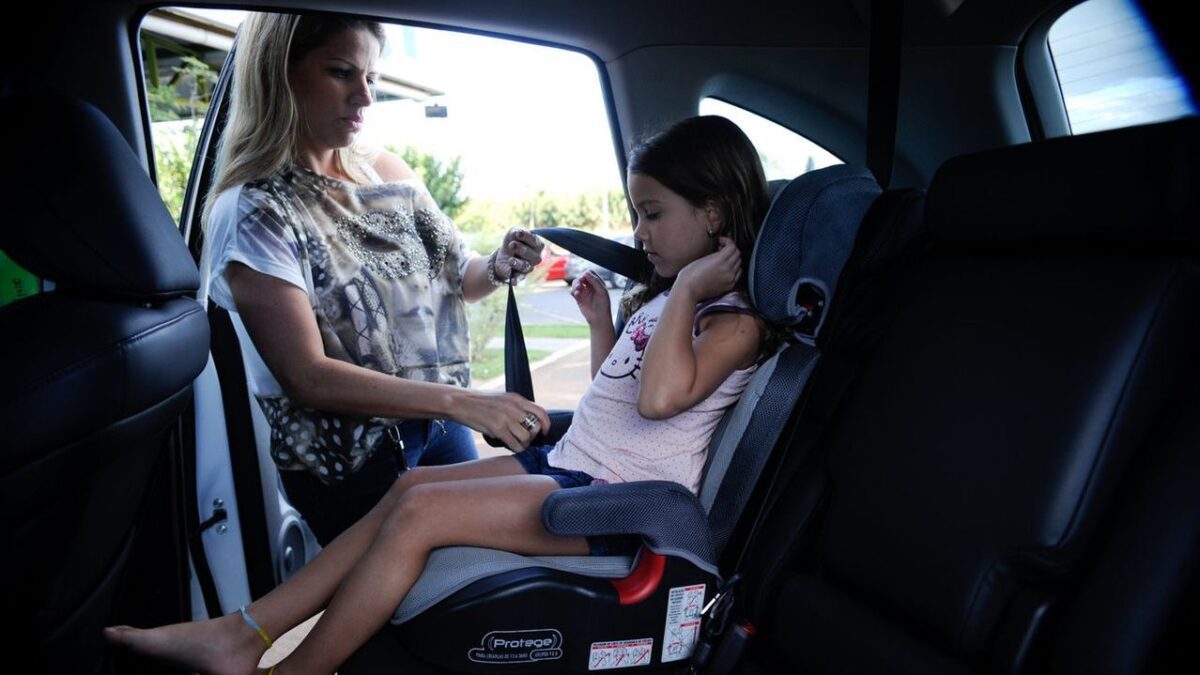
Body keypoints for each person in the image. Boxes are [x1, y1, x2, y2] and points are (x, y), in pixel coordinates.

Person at [105, 115, 775, 675]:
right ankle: (243, 631)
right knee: (409, 489)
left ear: (712, 213)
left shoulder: (731, 320)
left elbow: (660, 403)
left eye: (653, 214)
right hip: (578, 465)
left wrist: (685, 290)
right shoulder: (674, 303)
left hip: (621, 504)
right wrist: (605, 323)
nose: (639, 233)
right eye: (637, 214)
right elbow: (626, 395)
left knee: (419, 518)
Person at [197, 12, 551, 544]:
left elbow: (463, 276)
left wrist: (500, 264)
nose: (364, 98)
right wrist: (470, 402)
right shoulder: (255, 210)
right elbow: (307, 376)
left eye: (371, 78)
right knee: (393, 615)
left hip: (440, 428)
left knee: (460, 594)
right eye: (341, 73)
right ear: (280, 75)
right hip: (349, 463)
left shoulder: (386, 171)